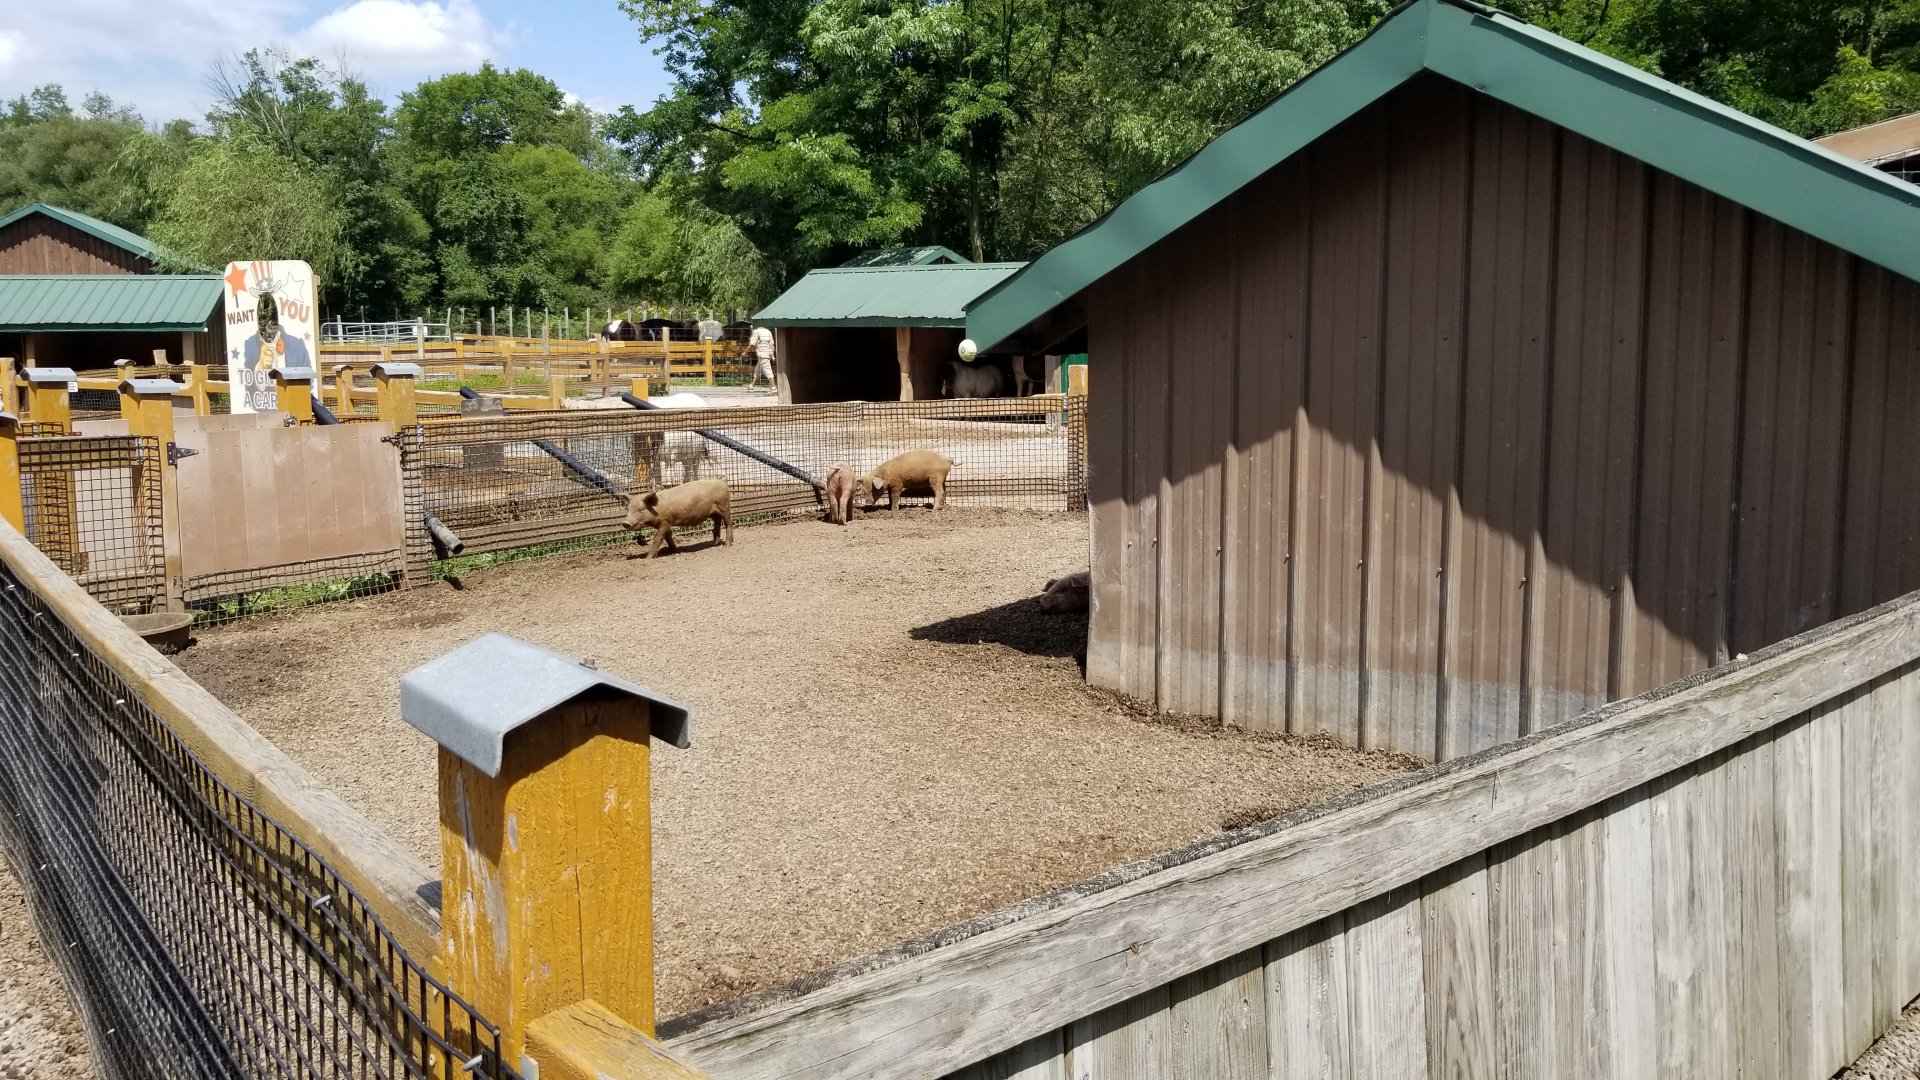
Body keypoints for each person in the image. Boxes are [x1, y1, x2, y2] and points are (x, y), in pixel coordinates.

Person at [747, 325, 776, 392]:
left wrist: (746, 352)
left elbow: (752, 344)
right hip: (767, 354)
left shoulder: (756, 332)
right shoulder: (768, 332)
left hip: (761, 354)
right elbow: (772, 344)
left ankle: (773, 387)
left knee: (767, 370)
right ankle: (751, 386)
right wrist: (772, 355)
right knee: (757, 371)